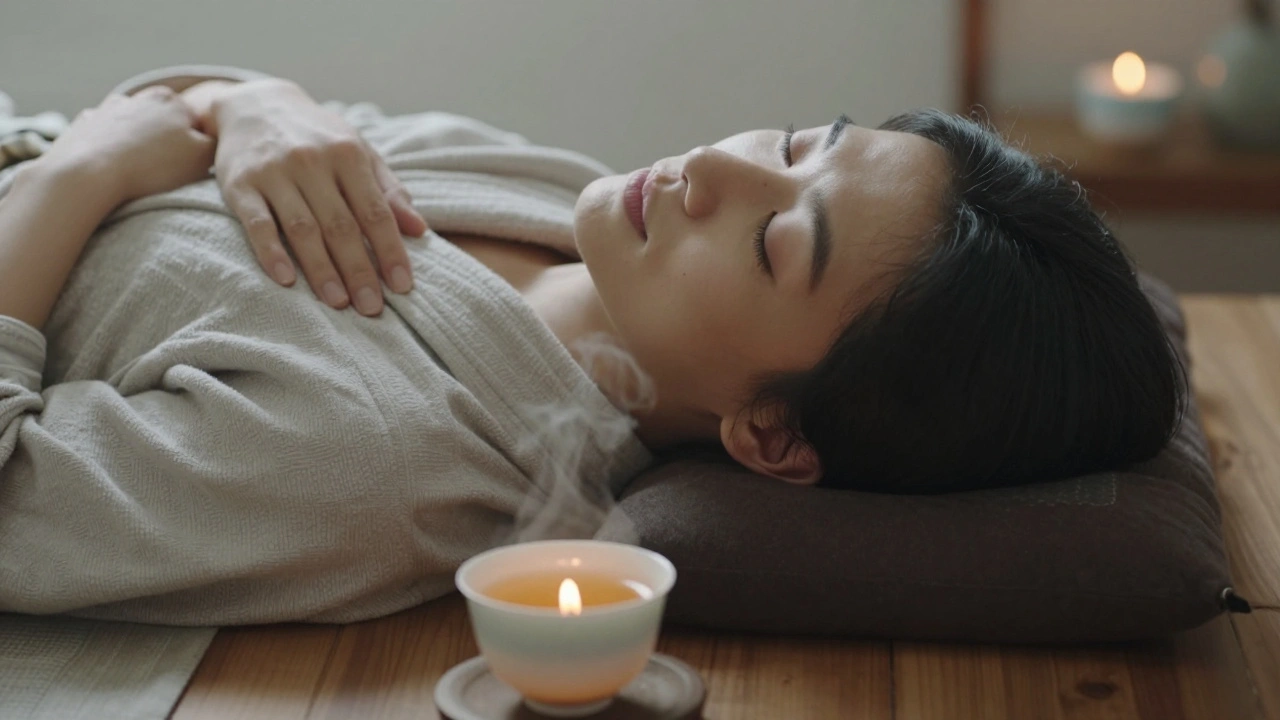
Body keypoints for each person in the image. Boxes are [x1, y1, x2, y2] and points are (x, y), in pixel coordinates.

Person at [0, 67, 1184, 625]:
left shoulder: (376, 463)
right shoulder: (554, 192)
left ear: (770, 433)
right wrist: (264, 101)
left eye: (775, 237)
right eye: (795, 139)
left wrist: (75, 175)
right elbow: (176, 106)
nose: (714, 164)